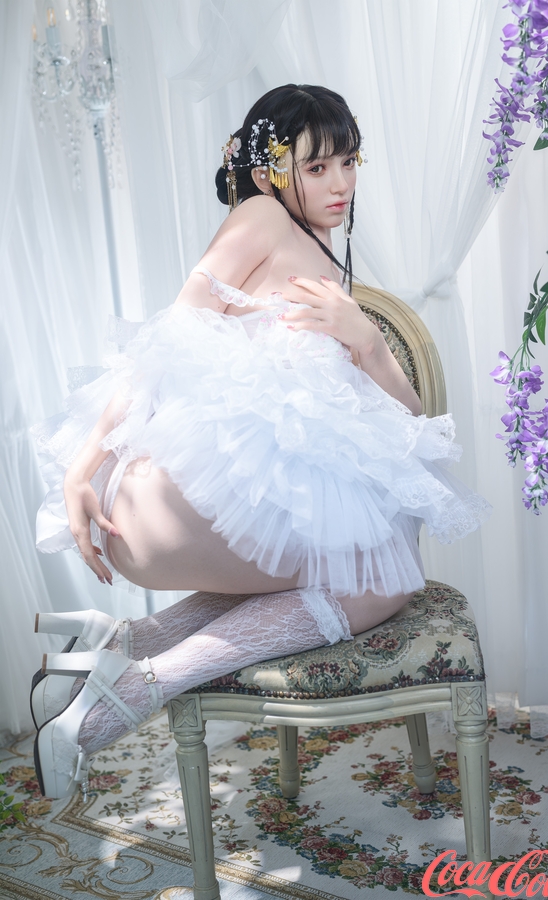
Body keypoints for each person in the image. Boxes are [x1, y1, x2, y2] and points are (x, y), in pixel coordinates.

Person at [31, 84, 490, 800]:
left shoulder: (318, 251)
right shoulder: (263, 216)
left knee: (381, 570)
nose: (340, 184)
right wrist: (82, 468)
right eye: (317, 167)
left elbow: (410, 418)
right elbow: (166, 341)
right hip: (180, 488)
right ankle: (115, 704)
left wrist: (367, 341)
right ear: (270, 172)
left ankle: (120, 647)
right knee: (381, 578)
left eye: (349, 161)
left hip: (221, 493)